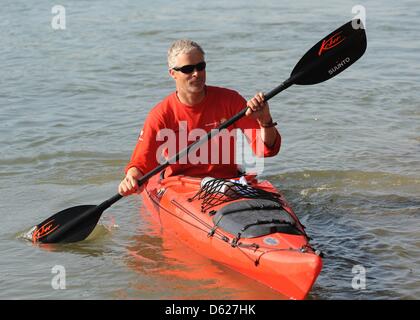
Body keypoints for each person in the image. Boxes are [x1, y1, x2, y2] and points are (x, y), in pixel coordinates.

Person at [118, 40, 281, 196]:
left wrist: (265, 121)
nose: (196, 73)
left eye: (200, 66)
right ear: (172, 73)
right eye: (188, 69)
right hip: (182, 189)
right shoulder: (161, 114)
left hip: (228, 183)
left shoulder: (231, 100)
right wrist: (131, 178)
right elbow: (141, 164)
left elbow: (267, 149)